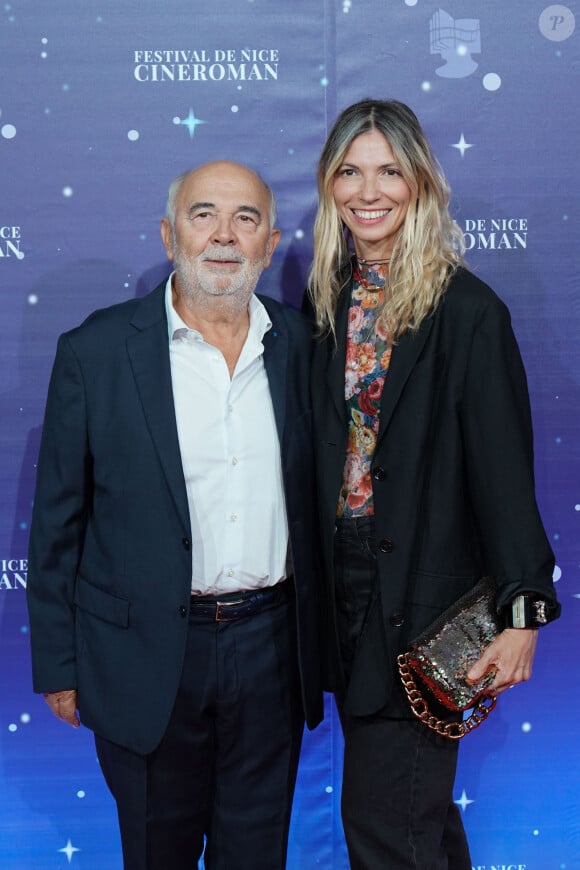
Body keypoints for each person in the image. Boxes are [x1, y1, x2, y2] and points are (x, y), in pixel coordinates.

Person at [26, 160, 323, 870]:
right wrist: (59, 667)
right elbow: (57, 523)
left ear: (271, 241)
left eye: (245, 219)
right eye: (203, 215)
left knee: (256, 856)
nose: (224, 235)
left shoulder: (306, 350)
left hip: (272, 651)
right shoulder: (94, 353)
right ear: (169, 235)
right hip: (144, 659)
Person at [306, 99, 561, 869]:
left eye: (389, 170)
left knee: (387, 826)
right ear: (329, 185)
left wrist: (523, 612)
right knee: (413, 817)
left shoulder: (468, 311)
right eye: (350, 171)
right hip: (344, 600)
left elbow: (505, 473)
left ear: (420, 182)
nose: (368, 190)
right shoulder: (326, 305)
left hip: (421, 601)